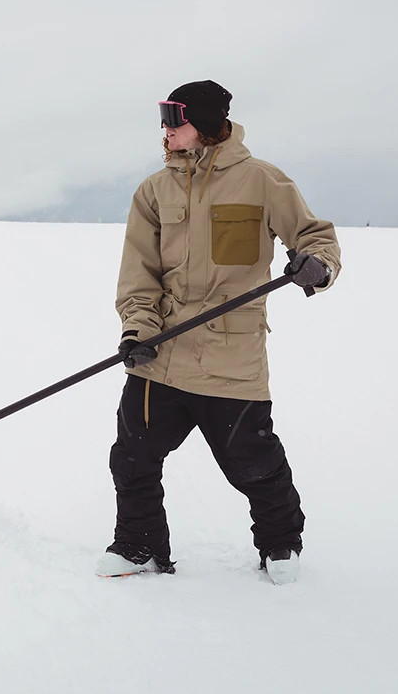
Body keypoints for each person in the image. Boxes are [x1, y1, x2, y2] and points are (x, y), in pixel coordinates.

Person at [100, 80, 340, 584]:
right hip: (161, 354)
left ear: (204, 125)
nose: (164, 130)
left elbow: (315, 236)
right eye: (163, 117)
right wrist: (137, 330)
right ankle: (139, 545)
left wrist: (316, 265)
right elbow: (138, 274)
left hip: (231, 359)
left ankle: (280, 545)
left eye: (174, 118)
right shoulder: (153, 191)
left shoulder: (261, 181)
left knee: (252, 463)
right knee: (133, 455)